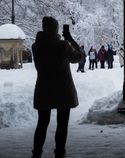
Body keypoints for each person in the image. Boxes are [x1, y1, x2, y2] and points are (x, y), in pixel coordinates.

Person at [31, 17, 83, 158]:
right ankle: (60, 152)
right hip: (63, 90)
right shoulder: (63, 45)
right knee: (62, 123)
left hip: (43, 89)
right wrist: (71, 39)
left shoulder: (36, 46)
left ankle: (36, 153)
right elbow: (78, 57)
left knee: (42, 123)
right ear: (55, 28)